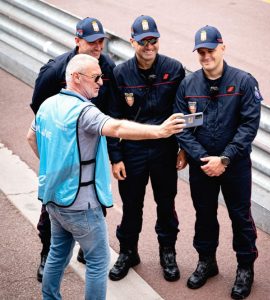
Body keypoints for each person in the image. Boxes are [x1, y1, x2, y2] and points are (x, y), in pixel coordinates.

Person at [26, 54, 185, 300]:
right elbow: (119, 128)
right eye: (96, 77)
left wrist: (55, 167)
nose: (101, 81)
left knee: (57, 253)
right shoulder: (84, 112)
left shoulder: (48, 104)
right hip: (82, 204)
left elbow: (31, 137)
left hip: (53, 200)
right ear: (76, 78)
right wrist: (160, 131)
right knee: (99, 262)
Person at [173, 25, 263, 299]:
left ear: (222, 48)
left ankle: (245, 267)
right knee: (204, 214)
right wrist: (204, 158)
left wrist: (224, 158)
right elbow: (181, 127)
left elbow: (249, 126)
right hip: (203, 166)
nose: (205, 56)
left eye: (210, 50)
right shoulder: (188, 85)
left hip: (234, 165)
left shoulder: (244, 82)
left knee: (240, 216)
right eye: (200, 51)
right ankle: (207, 261)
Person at [30, 17, 117, 282]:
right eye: (92, 42)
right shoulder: (56, 70)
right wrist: (56, 148)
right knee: (53, 207)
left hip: (92, 150)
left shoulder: (108, 67)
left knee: (94, 203)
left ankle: (86, 247)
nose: (98, 46)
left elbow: (111, 110)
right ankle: (47, 253)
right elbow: (38, 109)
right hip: (62, 154)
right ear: (77, 41)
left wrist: (113, 154)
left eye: (101, 41)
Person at [107, 15, 186, 282]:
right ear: (132, 42)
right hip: (133, 152)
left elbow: (181, 113)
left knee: (166, 203)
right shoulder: (120, 73)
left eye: (153, 40)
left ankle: (168, 252)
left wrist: (183, 149)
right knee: (131, 206)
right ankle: (128, 252)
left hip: (165, 150)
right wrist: (115, 158)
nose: (148, 46)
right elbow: (113, 118)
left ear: (158, 40)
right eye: (143, 42)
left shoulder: (174, 69)